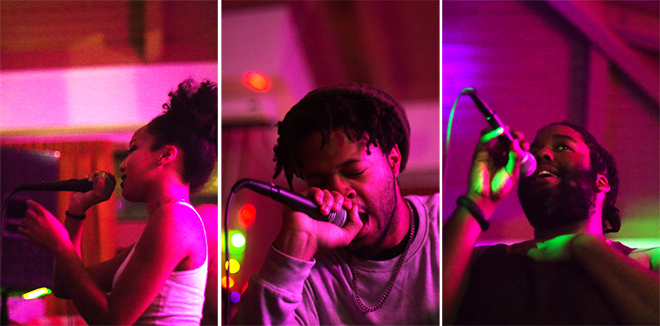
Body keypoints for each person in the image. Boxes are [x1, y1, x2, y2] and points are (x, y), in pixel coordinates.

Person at [230, 83, 440, 325]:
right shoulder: (306, 270)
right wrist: (296, 246)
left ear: (393, 161)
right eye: (319, 181)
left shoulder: (444, 223)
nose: (337, 191)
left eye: (354, 171)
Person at [18, 79, 218, 325]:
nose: (122, 164)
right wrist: (77, 211)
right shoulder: (167, 221)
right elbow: (64, 286)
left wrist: (61, 245)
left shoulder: (176, 219)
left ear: (165, 155)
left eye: (133, 149)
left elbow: (112, 321)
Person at [443, 121, 659, 325]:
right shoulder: (480, 262)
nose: (540, 154)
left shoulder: (648, 261)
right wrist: (480, 199)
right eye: (535, 149)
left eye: (563, 146)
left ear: (601, 182)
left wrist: (583, 246)